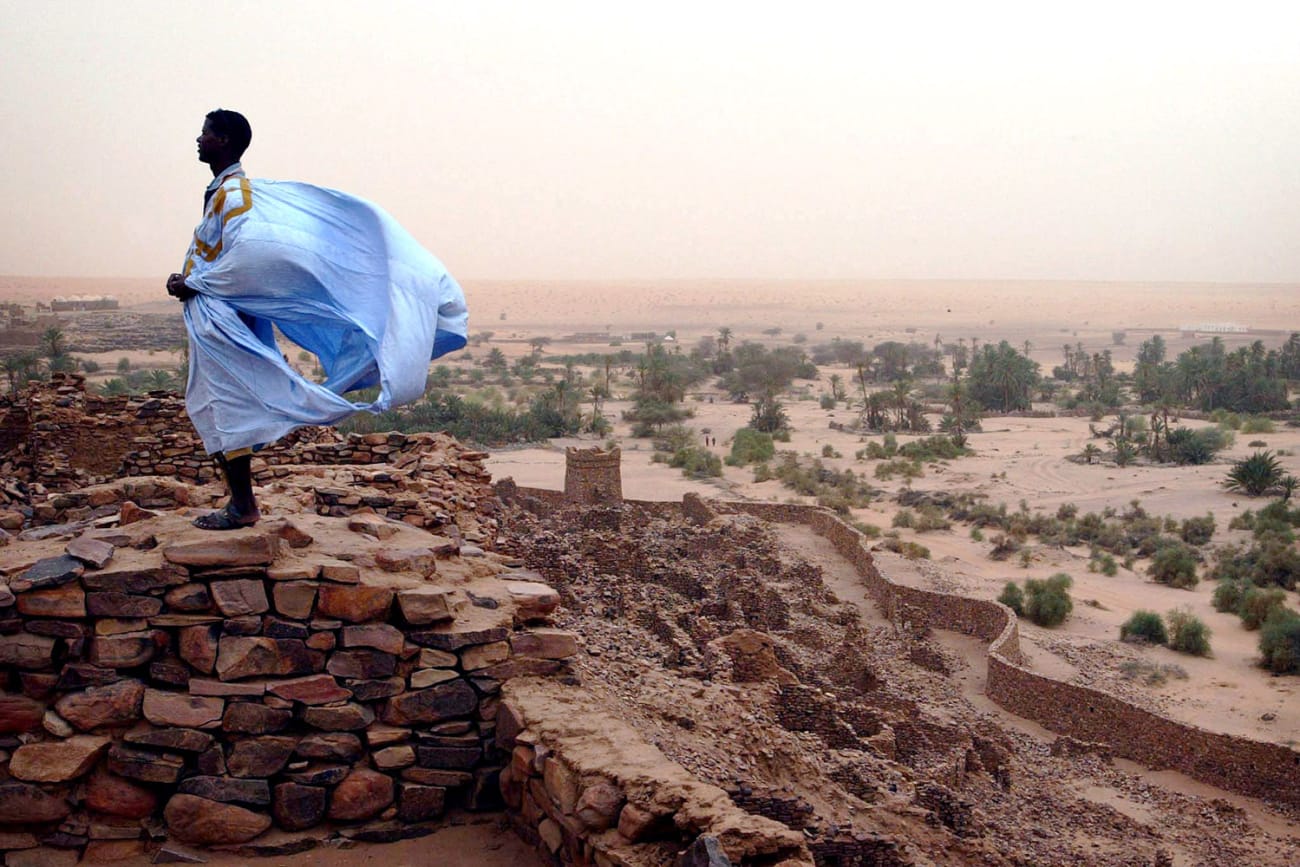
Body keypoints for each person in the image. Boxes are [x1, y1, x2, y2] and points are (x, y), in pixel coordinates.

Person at [167, 110, 468, 530]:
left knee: (226, 406)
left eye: (206, 134)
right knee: (215, 405)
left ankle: (243, 508)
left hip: (224, 317)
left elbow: (247, 256)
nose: (199, 140)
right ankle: (240, 503)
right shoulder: (223, 193)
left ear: (226, 141)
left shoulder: (235, 196)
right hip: (216, 317)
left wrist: (194, 282)